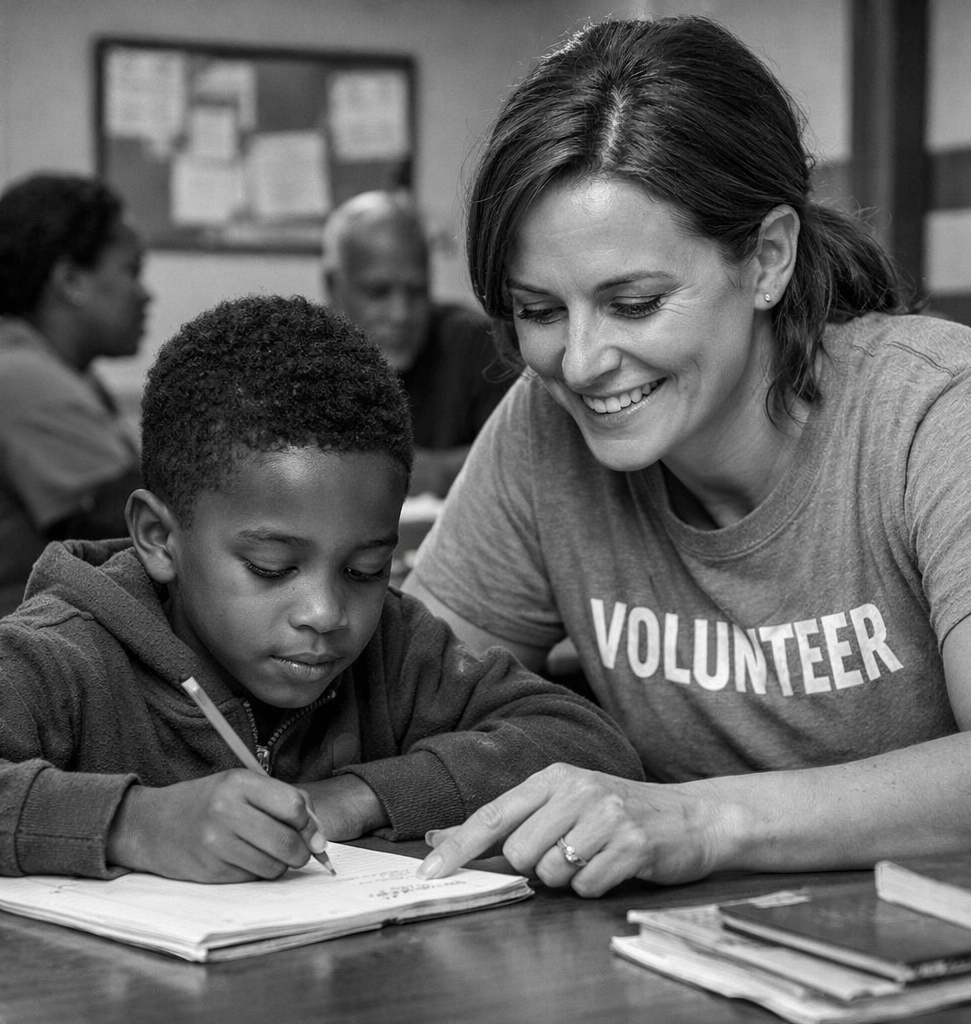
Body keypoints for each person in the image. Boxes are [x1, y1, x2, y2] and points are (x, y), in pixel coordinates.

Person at [407, 16, 971, 895]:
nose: (580, 363)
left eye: (635, 302)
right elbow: (412, 695)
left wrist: (699, 819)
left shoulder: (940, 406)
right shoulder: (543, 427)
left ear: (768, 257)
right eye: (540, 312)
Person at [0, 294, 642, 882]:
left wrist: (359, 796)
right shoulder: (65, 655)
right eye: (272, 568)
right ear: (159, 538)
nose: (325, 613)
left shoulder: (394, 649)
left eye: (365, 571)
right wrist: (131, 823)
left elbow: (588, 746)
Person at [0, 173, 150, 617]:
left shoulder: (62, 371)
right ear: (70, 280)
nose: (145, 294)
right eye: (131, 271)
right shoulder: (23, 379)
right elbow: (134, 519)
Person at [322, 190, 513, 496]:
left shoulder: (479, 345)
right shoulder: (306, 361)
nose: (401, 314)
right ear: (334, 287)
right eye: (378, 292)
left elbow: (525, 453)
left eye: (416, 292)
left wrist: (439, 474)